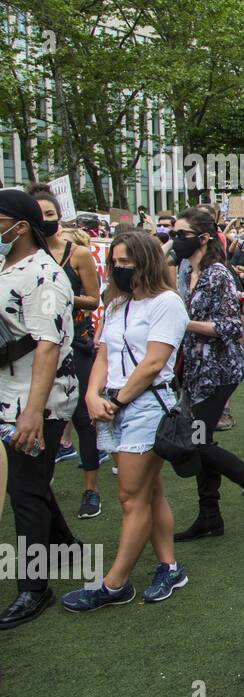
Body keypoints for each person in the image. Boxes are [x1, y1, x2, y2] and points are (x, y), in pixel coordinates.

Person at [63, 230, 190, 612]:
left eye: (126, 263)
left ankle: (115, 583)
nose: (118, 269)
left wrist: (114, 400)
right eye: (115, 262)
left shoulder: (167, 303)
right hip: (115, 404)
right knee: (149, 492)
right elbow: (102, 353)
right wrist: (91, 395)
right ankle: (169, 567)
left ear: (146, 262)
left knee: (130, 497)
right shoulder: (118, 306)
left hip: (146, 405)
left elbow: (154, 362)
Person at [169, 208, 244, 541]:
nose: (175, 240)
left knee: (198, 441)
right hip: (192, 370)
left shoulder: (218, 274)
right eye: (173, 233)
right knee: (202, 441)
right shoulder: (185, 269)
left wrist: (184, 323)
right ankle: (209, 515)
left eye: (182, 234)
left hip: (219, 371)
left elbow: (232, 327)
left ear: (203, 238)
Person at [0, 189, 79, 629]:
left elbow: (48, 346)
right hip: (10, 389)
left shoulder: (45, 276)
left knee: (25, 490)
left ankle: (34, 588)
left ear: (21, 226)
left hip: (36, 398)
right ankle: (65, 545)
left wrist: (32, 412)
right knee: (28, 479)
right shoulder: (8, 264)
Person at [29, 188, 106, 516]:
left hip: (76, 344)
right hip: (35, 347)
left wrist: (60, 296)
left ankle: (91, 490)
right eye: (38, 214)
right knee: (41, 416)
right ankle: (38, 486)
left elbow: (94, 299)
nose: (44, 220)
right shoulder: (22, 257)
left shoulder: (77, 255)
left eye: (49, 213)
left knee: (83, 417)